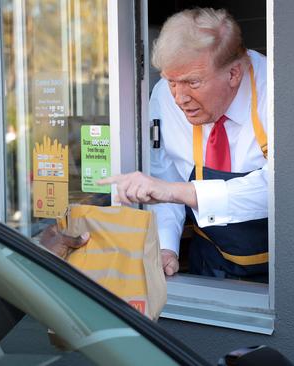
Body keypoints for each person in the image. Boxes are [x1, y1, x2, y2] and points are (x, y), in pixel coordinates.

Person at [98, 8, 269, 281]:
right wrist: (167, 247)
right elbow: (165, 178)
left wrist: (177, 191)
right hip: (210, 262)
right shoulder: (164, 98)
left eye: (192, 82)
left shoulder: (274, 92)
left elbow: (279, 188)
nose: (179, 98)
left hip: (279, 275)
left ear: (234, 73)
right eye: (171, 82)